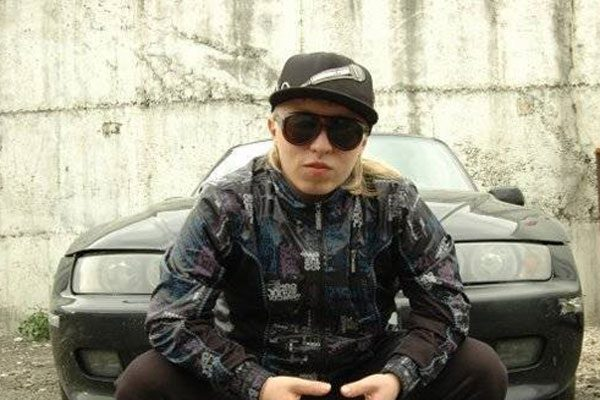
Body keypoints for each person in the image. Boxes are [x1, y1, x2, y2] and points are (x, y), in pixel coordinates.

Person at [115, 52, 508, 400]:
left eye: (343, 132)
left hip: (364, 378)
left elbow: (445, 308)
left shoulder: (395, 202)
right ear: (273, 129)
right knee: (146, 380)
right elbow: (173, 317)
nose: (320, 145)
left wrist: (397, 377)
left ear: (362, 143)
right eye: (302, 127)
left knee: (478, 367)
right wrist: (255, 384)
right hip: (259, 373)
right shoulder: (227, 203)